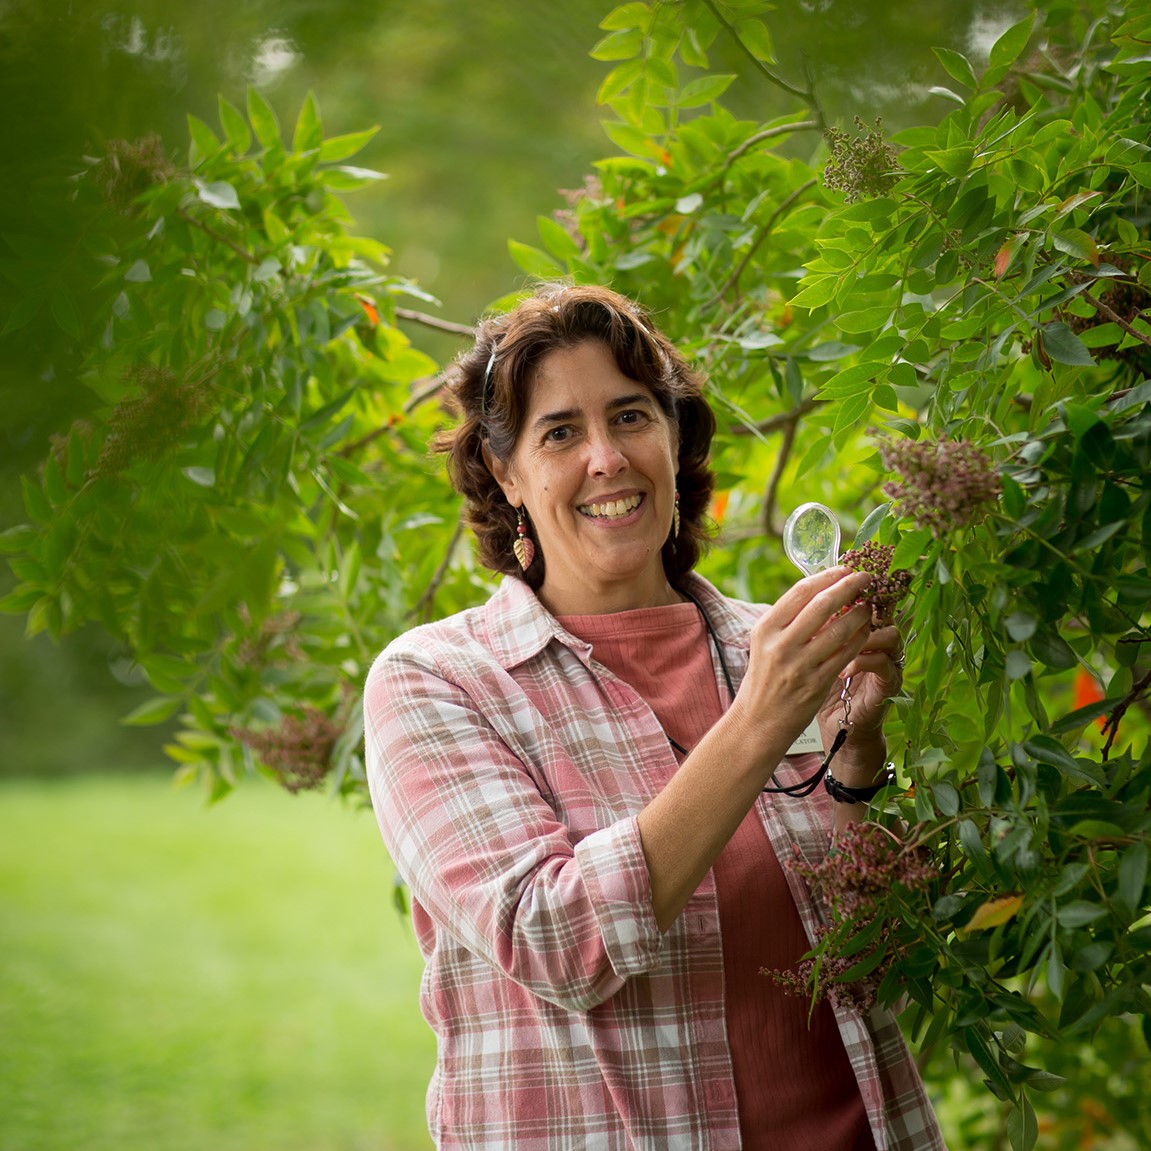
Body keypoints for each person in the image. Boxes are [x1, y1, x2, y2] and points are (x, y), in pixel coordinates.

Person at [364, 283, 946, 1150]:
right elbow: (556, 940)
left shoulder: (777, 647)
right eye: (559, 432)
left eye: (631, 416)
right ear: (505, 472)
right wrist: (759, 719)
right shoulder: (438, 681)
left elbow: (881, 950)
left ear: (674, 439)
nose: (606, 457)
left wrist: (858, 758)